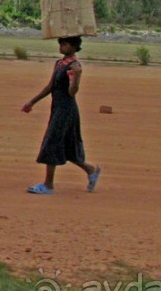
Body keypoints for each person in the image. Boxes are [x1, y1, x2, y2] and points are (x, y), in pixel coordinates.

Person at [21, 36, 101, 195]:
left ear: (73, 47)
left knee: (52, 142)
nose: (61, 46)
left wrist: (76, 78)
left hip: (66, 110)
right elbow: (50, 86)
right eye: (61, 44)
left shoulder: (74, 66)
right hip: (57, 108)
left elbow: (72, 92)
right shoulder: (59, 63)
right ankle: (91, 170)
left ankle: (48, 185)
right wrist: (32, 102)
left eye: (65, 44)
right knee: (67, 145)